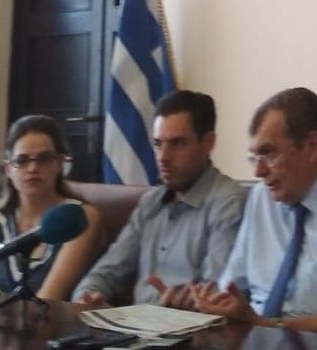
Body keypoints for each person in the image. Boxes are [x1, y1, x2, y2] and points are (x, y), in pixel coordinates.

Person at [171, 87, 317, 334]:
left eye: (268, 154)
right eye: (254, 157)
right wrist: (201, 306)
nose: (258, 172)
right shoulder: (261, 197)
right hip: (252, 341)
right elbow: (231, 287)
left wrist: (272, 327)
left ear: (311, 146)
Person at [73, 90, 244, 307]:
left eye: (177, 143)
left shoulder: (228, 202)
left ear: (208, 143)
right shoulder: (150, 202)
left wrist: (184, 310)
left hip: (192, 326)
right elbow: (108, 270)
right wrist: (87, 297)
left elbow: (217, 292)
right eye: (157, 144)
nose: (163, 157)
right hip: (136, 324)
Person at [0, 114, 101, 302]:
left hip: (53, 319)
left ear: (59, 164)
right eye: (22, 161)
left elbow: (48, 300)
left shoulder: (79, 217)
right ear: (8, 169)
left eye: (44, 159)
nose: (33, 168)